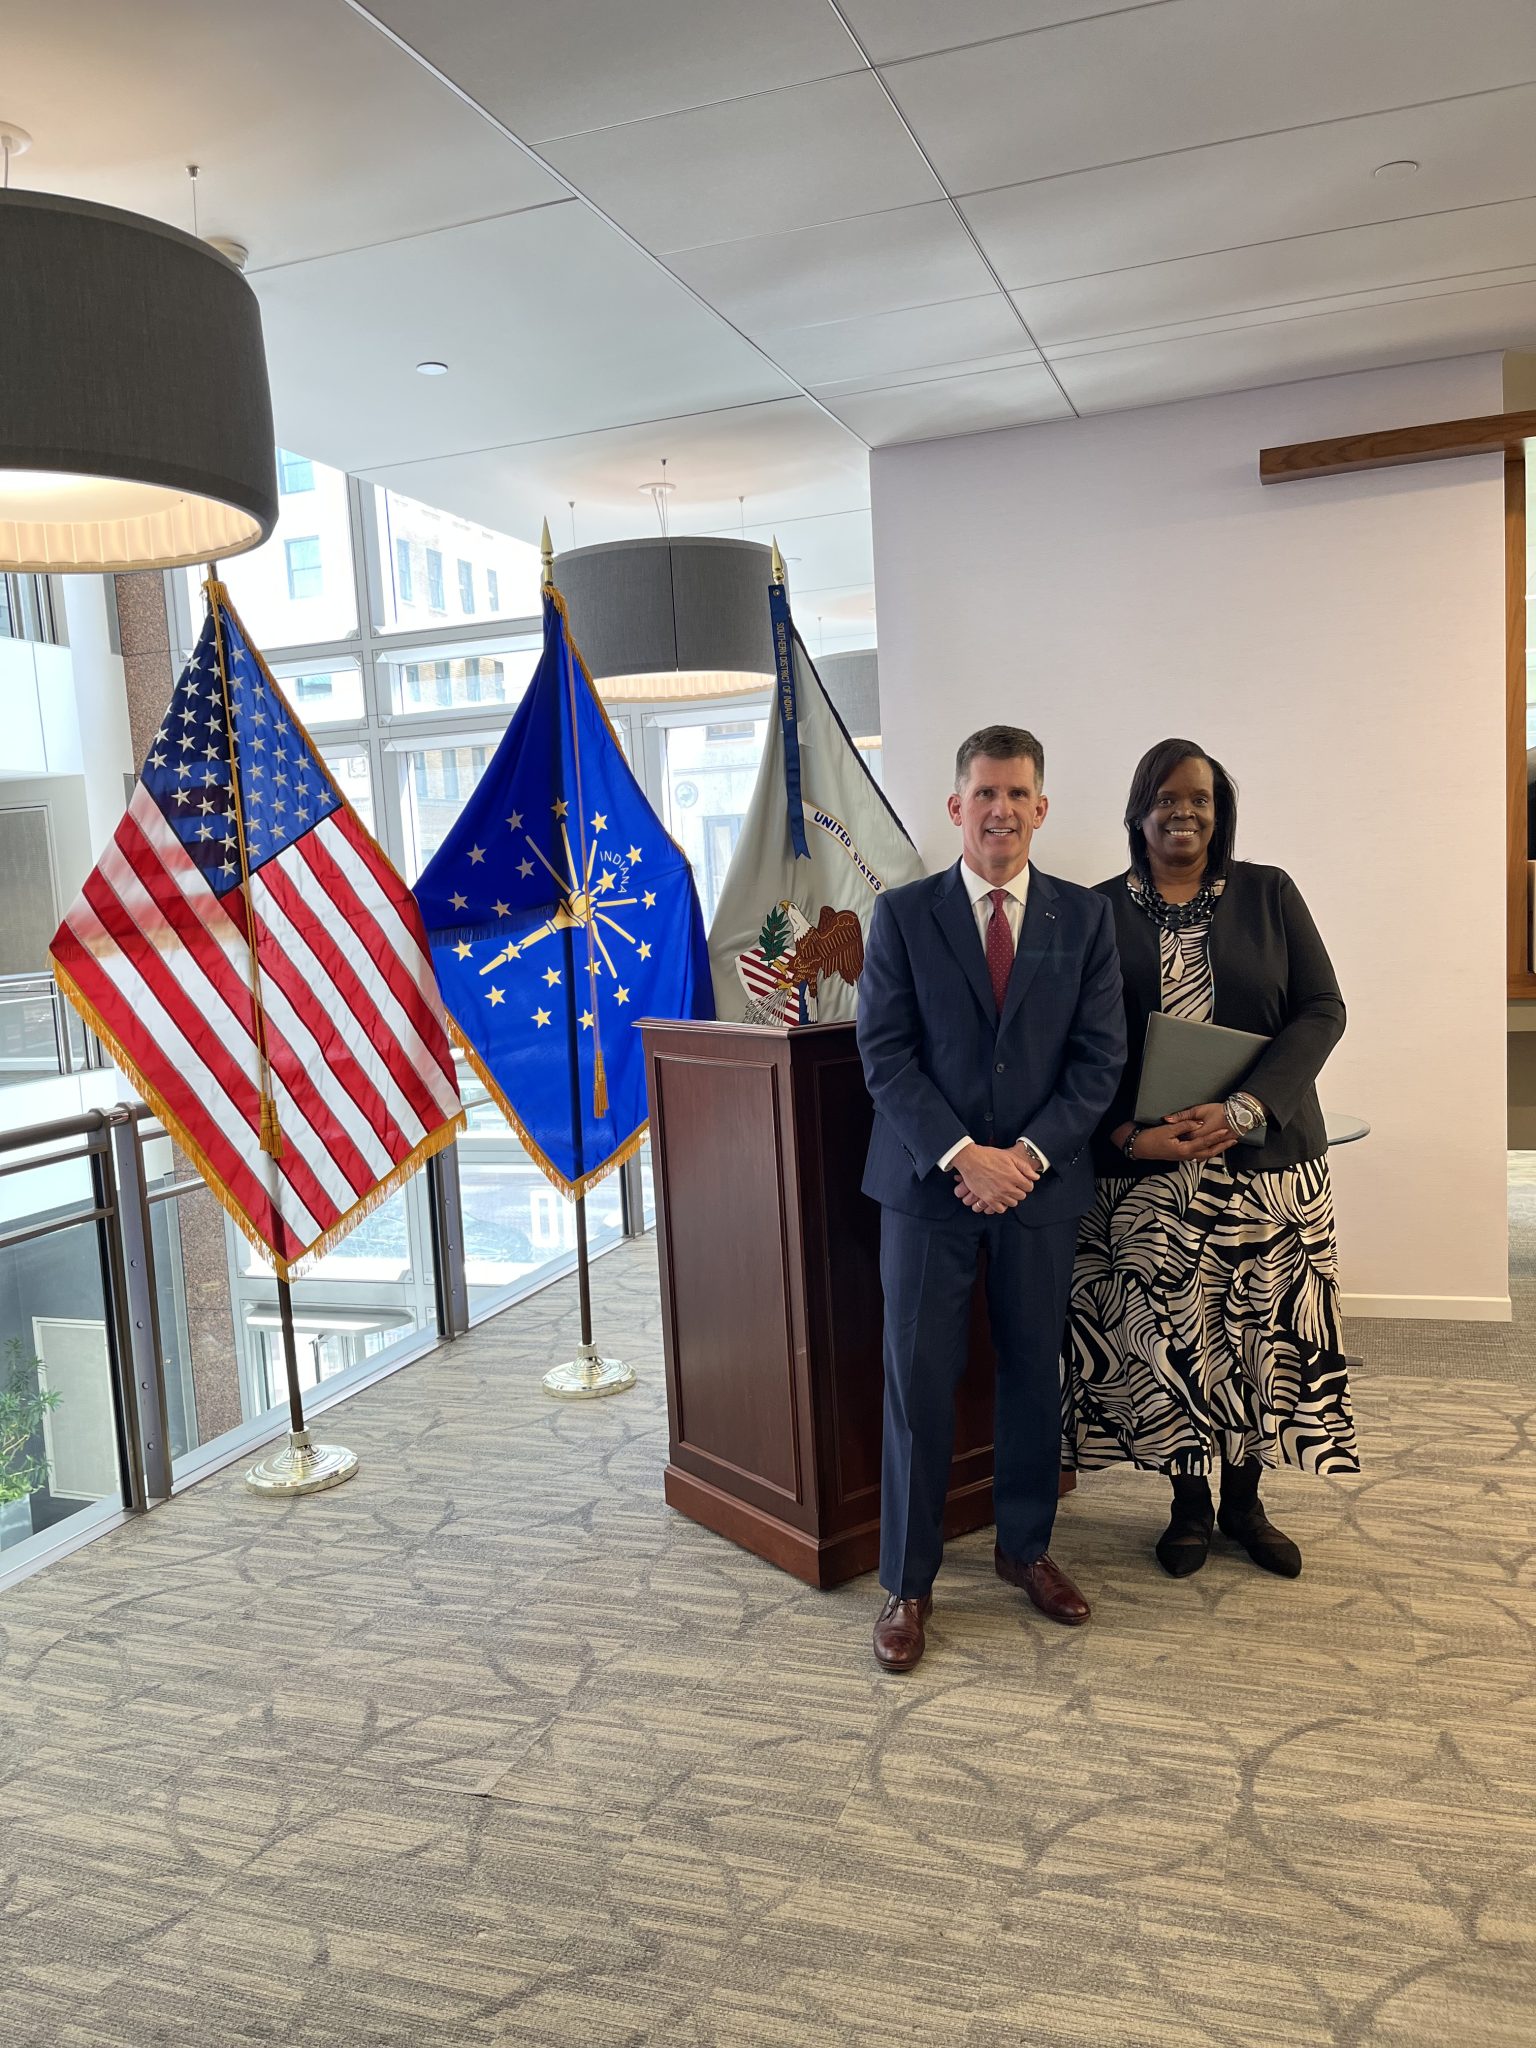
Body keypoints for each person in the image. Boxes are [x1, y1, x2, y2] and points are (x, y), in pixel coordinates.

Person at [856, 724, 1126, 1672]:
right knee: (916, 1382)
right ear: (955, 806)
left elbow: (1099, 1061)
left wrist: (1027, 1158)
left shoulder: (1084, 919)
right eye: (984, 793)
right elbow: (884, 1055)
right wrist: (964, 1155)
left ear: (1041, 808)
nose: (1000, 810)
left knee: (1032, 1374)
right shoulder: (902, 915)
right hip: (927, 1188)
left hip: (1039, 1192)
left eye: (1017, 794)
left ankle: (1026, 1550)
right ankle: (907, 1583)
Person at [1063, 738, 1358, 1579]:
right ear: (1138, 812)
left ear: (1219, 811)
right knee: (1171, 1339)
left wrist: (1247, 1106)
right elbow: (1073, 1044)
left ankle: (1246, 1503)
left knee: (1258, 1336)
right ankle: (1188, 1505)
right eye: (1166, 798)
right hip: (1149, 1173)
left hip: (1264, 1166)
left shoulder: (1270, 894)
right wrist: (1126, 1134)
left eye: (1199, 798)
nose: (1183, 812)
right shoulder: (1095, 913)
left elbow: (1323, 1009)